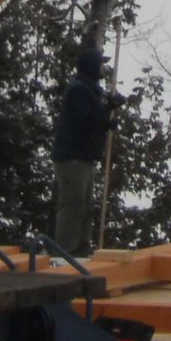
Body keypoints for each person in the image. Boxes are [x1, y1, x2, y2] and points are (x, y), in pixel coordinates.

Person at [52, 45, 121, 254]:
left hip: (83, 157)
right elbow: (85, 122)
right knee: (73, 205)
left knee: (85, 207)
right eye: (101, 64)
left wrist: (106, 121)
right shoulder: (79, 90)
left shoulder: (89, 89)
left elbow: (93, 120)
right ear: (92, 66)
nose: (103, 68)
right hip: (72, 157)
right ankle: (65, 251)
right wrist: (108, 109)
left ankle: (81, 248)